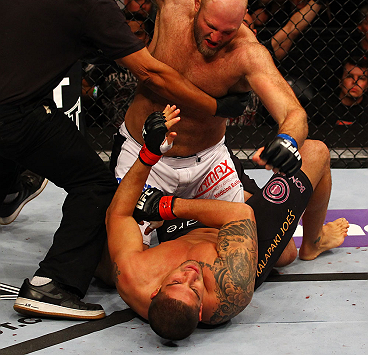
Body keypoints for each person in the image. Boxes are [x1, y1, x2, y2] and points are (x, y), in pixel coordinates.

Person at [0, 0, 248, 321]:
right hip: (15, 115)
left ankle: (7, 191)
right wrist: (214, 106)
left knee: (23, 138)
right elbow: (151, 71)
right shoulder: (88, 2)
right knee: (94, 184)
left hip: (11, 110)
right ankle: (54, 285)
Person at [113, 0, 348, 265]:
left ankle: (312, 241)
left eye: (228, 31)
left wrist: (288, 140)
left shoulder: (247, 52)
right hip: (147, 154)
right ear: (196, 3)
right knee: (116, 262)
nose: (216, 38)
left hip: (208, 161)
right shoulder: (173, 0)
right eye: (210, 26)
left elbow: (293, 112)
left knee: (283, 254)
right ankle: (190, 226)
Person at [102, 105, 348, 340]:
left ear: (155, 292)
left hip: (182, 228)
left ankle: (277, 238)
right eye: (196, 289)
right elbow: (240, 215)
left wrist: (149, 153)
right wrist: (168, 206)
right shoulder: (230, 289)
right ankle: (313, 243)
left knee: (109, 250)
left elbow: (118, 214)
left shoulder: (133, 276)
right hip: (242, 241)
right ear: (201, 311)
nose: (190, 275)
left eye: (176, 282)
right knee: (316, 152)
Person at [310, 56, 368, 127]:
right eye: (349, 76)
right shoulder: (321, 102)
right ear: (340, 81)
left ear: (367, 85)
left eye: (361, 78)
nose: (355, 82)